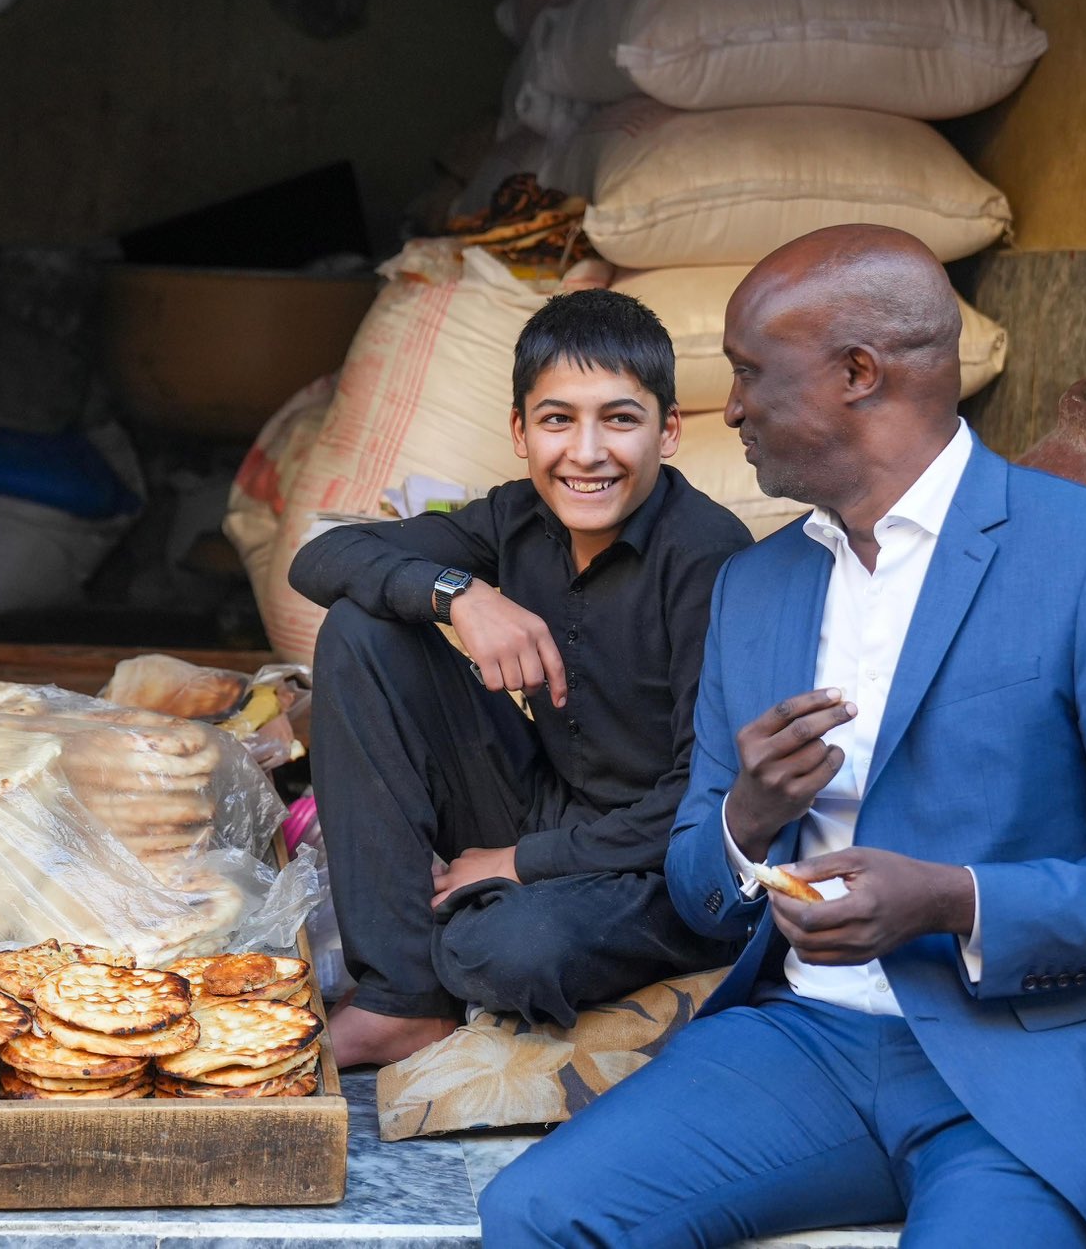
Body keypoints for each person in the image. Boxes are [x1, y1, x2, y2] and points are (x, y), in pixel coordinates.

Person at [479, 225, 1086, 1248]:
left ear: (858, 374)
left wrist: (954, 900)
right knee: (536, 1212)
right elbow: (697, 885)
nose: (731, 409)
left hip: (1037, 1066)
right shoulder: (756, 586)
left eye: (749, 373)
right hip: (805, 1045)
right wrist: (743, 823)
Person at [290, 288, 752, 1068]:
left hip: (660, 861)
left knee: (510, 950)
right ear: (520, 431)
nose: (587, 452)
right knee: (362, 629)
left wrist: (519, 865)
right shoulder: (517, 518)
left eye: (620, 419)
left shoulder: (707, 557)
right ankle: (403, 996)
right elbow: (321, 556)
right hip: (548, 801)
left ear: (668, 430)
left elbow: (705, 798)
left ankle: (472, 924)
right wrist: (460, 595)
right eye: (557, 419)